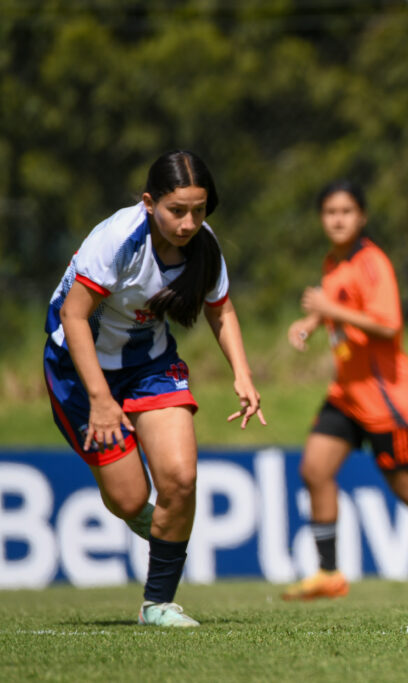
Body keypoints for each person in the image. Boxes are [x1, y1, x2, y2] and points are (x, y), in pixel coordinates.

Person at [43, 150, 266, 628]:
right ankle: (165, 531)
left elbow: (221, 309)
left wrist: (243, 374)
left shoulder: (204, 246)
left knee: (181, 480)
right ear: (149, 203)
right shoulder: (117, 241)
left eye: (199, 211)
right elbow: (72, 316)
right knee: (129, 500)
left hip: (150, 364)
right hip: (78, 371)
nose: (189, 223)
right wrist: (100, 399)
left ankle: (158, 604)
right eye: (176, 210)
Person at [282, 179, 408, 601]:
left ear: (362, 217)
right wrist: (310, 324)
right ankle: (328, 574)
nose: (337, 220)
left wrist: (328, 309)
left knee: (406, 485)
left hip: (386, 397)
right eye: (330, 212)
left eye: (346, 212)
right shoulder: (334, 261)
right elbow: (337, 306)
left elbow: (388, 324)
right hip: (346, 394)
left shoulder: (372, 262)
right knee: (314, 470)